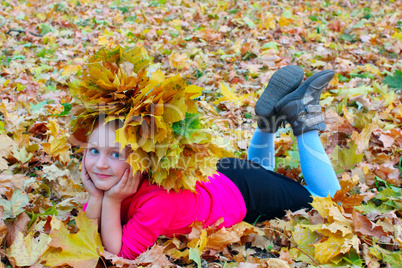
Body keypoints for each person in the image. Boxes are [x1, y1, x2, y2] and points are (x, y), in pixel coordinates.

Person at [79, 64, 341, 260]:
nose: (100, 164)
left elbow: (120, 254)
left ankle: (303, 117)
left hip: (244, 196)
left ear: (142, 158)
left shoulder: (156, 203)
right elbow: (88, 230)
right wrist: (97, 196)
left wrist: (109, 201)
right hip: (222, 175)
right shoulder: (116, 177)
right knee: (264, 173)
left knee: (327, 198)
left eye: (115, 154)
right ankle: (268, 121)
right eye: (93, 151)